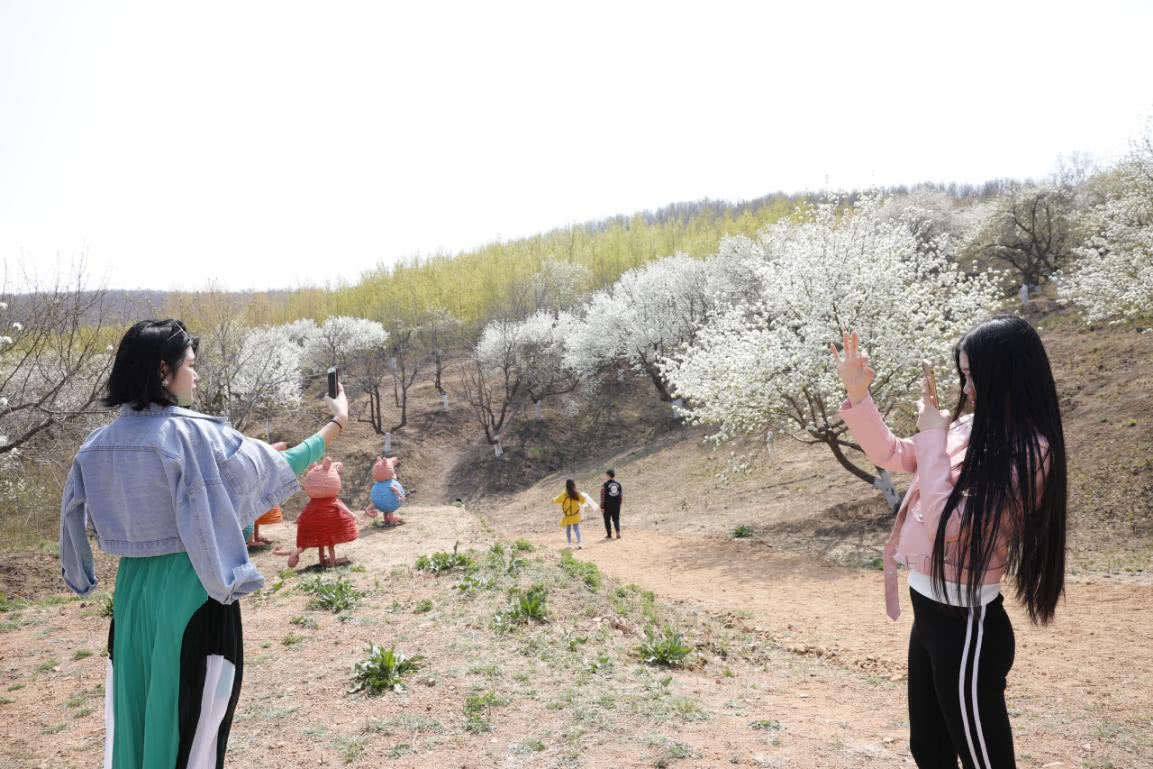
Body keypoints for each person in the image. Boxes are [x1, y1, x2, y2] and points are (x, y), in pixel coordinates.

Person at [59, 319, 349, 769]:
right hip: (195, 589)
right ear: (163, 371)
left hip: (132, 596)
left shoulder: (96, 445)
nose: (196, 375)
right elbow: (284, 464)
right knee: (195, 729)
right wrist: (336, 423)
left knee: (135, 715)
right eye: (190, 365)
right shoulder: (198, 435)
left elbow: (72, 515)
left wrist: (80, 576)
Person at [829, 316, 1067, 769]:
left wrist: (934, 433)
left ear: (1007, 374)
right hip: (930, 613)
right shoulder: (969, 426)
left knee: (983, 758)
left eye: (973, 374)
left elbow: (948, 523)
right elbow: (893, 455)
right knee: (931, 751)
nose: (967, 386)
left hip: (967, 624)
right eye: (963, 374)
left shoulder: (1031, 451)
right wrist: (860, 396)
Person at [552, 479, 594, 549]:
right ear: (574, 485)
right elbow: (583, 501)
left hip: (568, 516)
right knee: (576, 529)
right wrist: (579, 493)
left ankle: (569, 544)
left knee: (568, 530)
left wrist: (552, 499)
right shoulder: (576, 493)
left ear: (566, 486)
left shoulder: (564, 494)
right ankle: (580, 543)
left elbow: (556, 500)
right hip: (575, 514)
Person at [600, 469, 623, 540]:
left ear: (609, 475)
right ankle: (618, 533)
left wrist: (602, 506)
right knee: (616, 519)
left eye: (606, 475)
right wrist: (620, 503)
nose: (606, 477)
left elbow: (602, 496)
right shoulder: (619, 484)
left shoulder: (605, 484)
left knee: (607, 520)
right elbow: (621, 495)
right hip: (616, 505)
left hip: (607, 505)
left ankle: (609, 534)